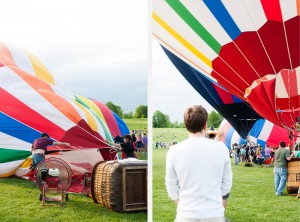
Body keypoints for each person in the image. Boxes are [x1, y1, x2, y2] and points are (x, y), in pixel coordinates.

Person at [165, 105, 232, 221]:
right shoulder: (221, 149)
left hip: (185, 213)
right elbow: (226, 183)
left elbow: (171, 184)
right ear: (205, 125)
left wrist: (179, 202)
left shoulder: (174, 151)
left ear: (186, 126)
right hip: (214, 213)